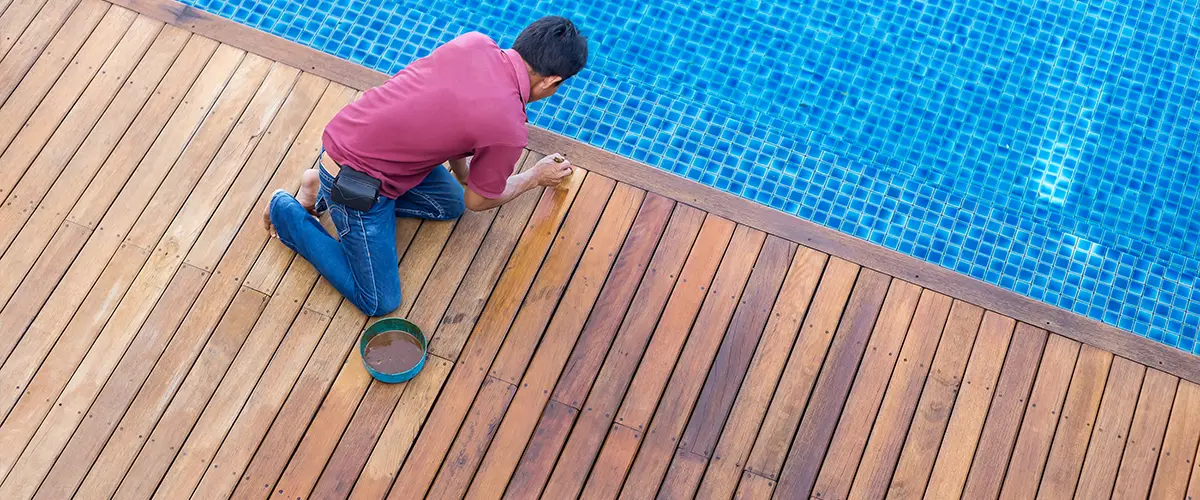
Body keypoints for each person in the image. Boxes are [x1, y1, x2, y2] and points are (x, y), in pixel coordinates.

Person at [264, 16, 588, 317]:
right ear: (552, 81)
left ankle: (320, 186)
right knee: (378, 300)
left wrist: (463, 174)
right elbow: (480, 202)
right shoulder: (509, 127)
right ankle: (287, 211)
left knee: (450, 204)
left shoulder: (473, 43)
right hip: (357, 183)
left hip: (351, 133)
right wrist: (534, 177)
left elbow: (449, 114)